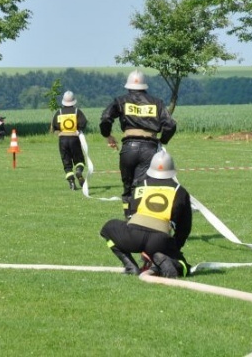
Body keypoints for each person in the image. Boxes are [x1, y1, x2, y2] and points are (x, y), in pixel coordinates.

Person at [99, 149, 192, 277]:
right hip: (160, 240)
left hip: (134, 236)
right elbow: (184, 228)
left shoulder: (142, 185)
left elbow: (131, 215)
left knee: (107, 229)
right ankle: (165, 260)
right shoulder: (180, 191)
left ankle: (130, 266)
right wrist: (173, 249)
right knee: (184, 267)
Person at [99, 70, 177, 217]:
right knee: (142, 186)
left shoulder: (121, 101)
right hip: (149, 148)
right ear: (144, 86)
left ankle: (128, 217)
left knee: (127, 186)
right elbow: (170, 125)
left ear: (128, 86)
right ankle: (138, 217)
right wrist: (162, 140)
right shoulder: (157, 103)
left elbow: (105, 118)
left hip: (128, 148)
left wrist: (107, 135)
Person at [52, 90, 88, 191]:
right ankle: (79, 171)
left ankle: (71, 182)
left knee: (66, 161)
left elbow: (55, 126)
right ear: (73, 101)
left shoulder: (59, 112)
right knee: (79, 159)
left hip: (62, 139)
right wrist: (78, 129)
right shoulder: (77, 111)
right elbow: (83, 123)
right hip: (74, 138)